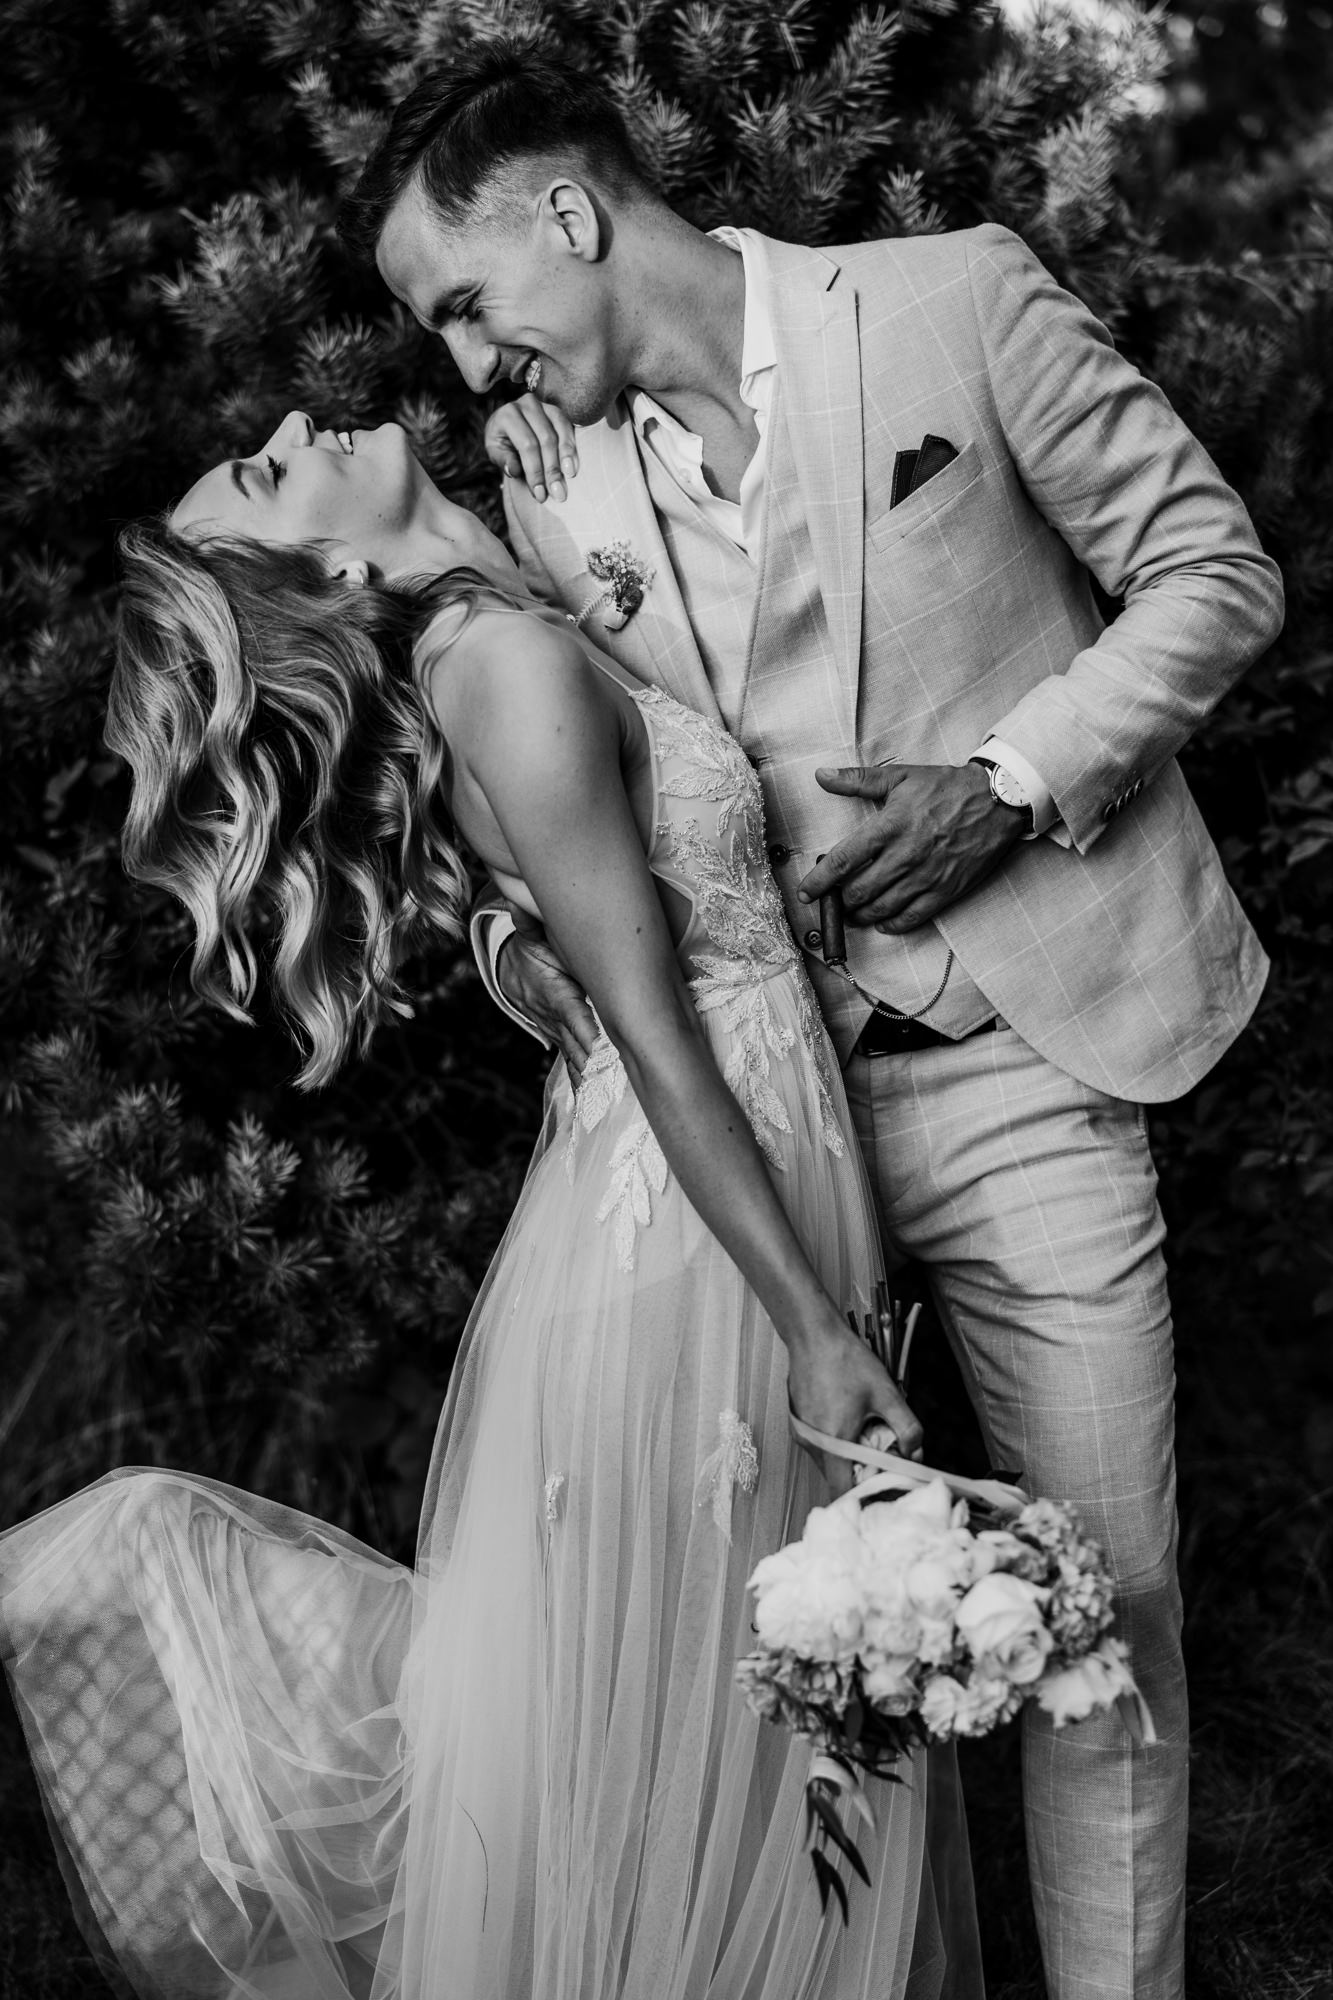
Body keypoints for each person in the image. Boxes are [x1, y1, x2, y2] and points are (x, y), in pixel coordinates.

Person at [338, 41, 1287, 2000]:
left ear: (570, 215)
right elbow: (555, 818)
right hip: (755, 1162)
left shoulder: (952, 301)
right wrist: (526, 961)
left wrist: (1007, 785)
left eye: (467, 305)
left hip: (1020, 1069)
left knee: (1100, 1610)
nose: (467, 368)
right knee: (745, 1670)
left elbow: (1211, 569)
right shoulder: (548, 498)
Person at [0, 412, 981, 2000]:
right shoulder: (499, 666)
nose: (290, 424)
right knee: (697, 1711)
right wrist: (810, 1322)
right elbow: (654, 1027)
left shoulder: (491, 631)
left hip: (711, 1189)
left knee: (722, 1715)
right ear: (326, 565)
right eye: (267, 473)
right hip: (695, 1238)